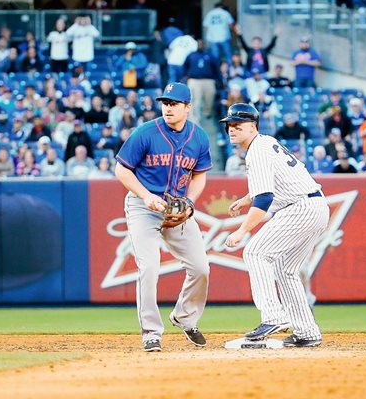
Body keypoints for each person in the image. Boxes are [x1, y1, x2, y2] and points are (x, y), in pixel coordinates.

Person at [114, 82, 212, 352]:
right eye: (165, 103)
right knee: (149, 267)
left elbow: (200, 175)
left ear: (187, 107)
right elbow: (122, 170)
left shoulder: (199, 137)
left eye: (174, 103)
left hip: (177, 210)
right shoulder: (146, 132)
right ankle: (151, 332)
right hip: (143, 206)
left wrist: (190, 202)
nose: (168, 108)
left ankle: (184, 316)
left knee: (201, 268)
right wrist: (146, 196)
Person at [221, 103, 328, 347]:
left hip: (299, 208)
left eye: (238, 125)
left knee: (255, 251)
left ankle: (273, 316)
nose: (232, 129)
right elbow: (279, 180)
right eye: (229, 125)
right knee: (285, 269)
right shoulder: (265, 143)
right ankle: (307, 331)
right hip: (315, 206)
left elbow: (265, 198)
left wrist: (241, 231)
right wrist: (246, 198)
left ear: (253, 126)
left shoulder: (256, 149)